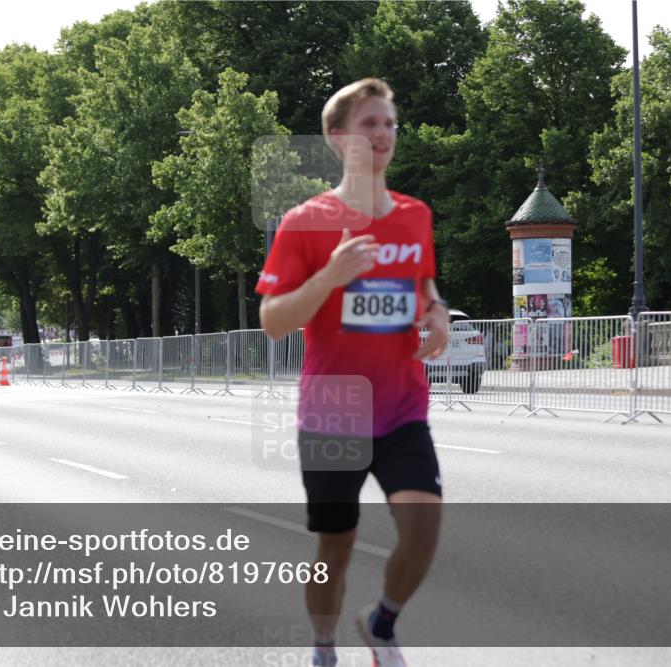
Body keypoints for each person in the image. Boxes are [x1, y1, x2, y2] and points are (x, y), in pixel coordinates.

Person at [256, 78, 450, 667]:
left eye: (390, 123)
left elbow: (421, 286)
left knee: (423, 528)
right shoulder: (305, 221)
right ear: (338, 139)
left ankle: (381, 623)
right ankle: (322, 646)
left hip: (400, 406)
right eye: (371, 123)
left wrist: (437, 314)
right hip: (334, 410)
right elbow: (272, 321)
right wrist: (329, 279)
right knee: (335, 545)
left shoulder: (415, 216)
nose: (384, 134)